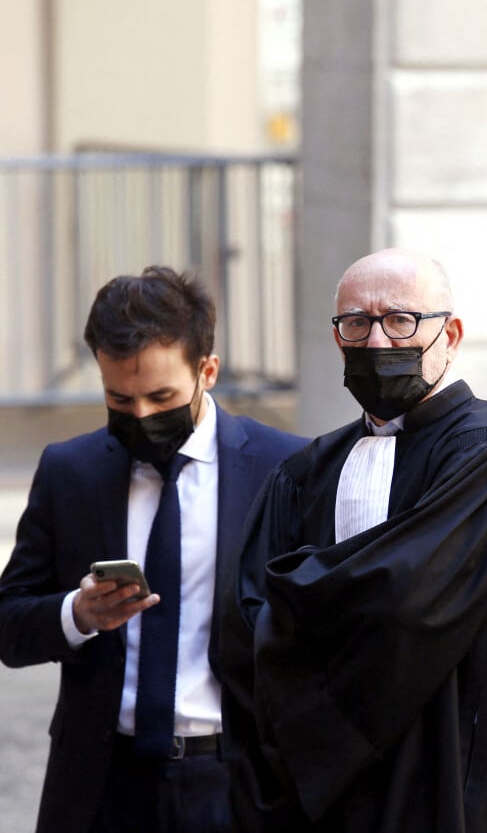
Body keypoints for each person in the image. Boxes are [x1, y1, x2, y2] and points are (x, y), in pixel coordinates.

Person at [221, 248, 487, 833]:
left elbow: (406, 600)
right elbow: (244, 618)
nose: (379, 342)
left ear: (450, 334)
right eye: (356, 323)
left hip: (443, 757)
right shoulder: (309, 468)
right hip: (324, 790)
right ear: (338, 339)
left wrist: (301, 611)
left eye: (401, 320)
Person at [0, 265, 308, 833]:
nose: (140, 415)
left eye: (161, 396)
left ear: (207, 371)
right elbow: (9, 625)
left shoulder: (284, 467)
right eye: (120, 398)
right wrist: (76, 614)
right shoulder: (70, 471)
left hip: (237, 784)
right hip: (100, 784)